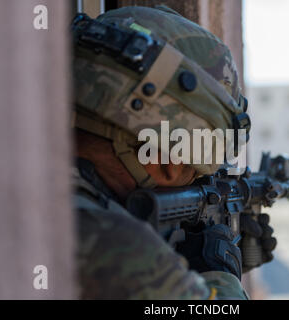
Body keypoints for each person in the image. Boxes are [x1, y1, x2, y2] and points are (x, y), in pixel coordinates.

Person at [71, 5, 276, 299]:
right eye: (198, 173)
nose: (196, 178)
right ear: (169, 162)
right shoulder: (123, 249)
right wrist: (221, 273)